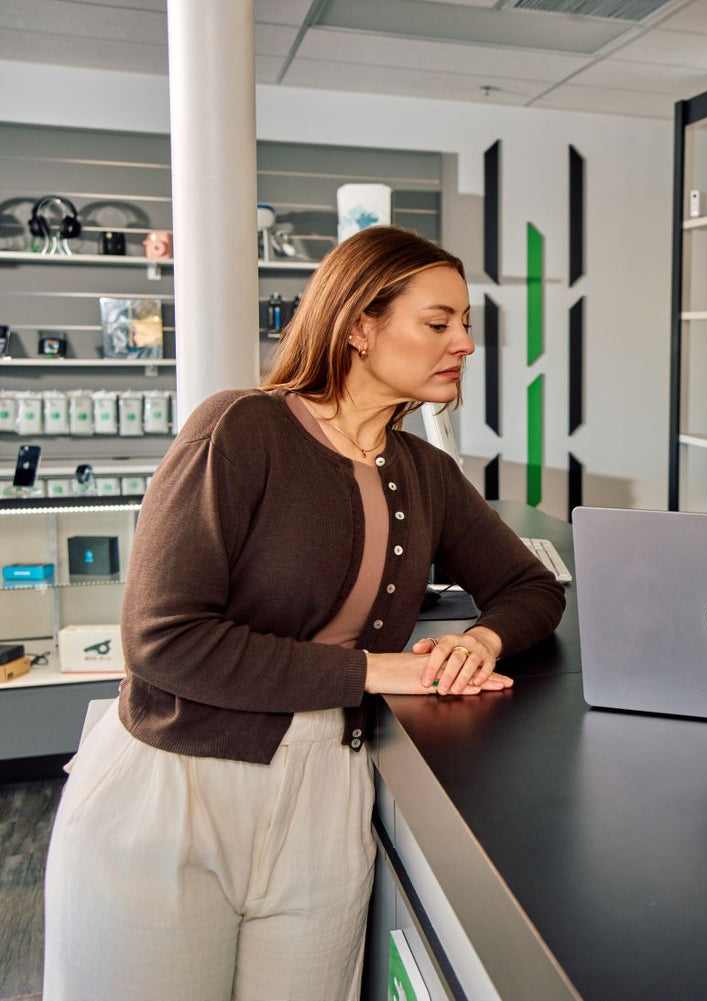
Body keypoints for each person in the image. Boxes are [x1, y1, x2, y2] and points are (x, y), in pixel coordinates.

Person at [43, 226, 566, 1000]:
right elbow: (163, 640)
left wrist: (482, 638)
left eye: (465, 325)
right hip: (174, 794)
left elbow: (533, 587)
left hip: (328, 797)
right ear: (359, 325)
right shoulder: (240, 429)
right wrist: (374, 669)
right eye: (439, 322)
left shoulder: (424, 471)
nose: (465, 343)